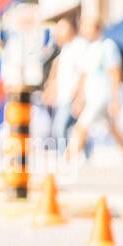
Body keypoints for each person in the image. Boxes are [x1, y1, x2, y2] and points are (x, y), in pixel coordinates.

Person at [68, 15, 123, 163]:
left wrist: (115, 99)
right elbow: (84, 76)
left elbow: (115, 73)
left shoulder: (107, 46)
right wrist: (79, 96)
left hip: (102, 97)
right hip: (92, 96)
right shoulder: (89, 49)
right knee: (112, 128)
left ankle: (69, 157)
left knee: (81, 126)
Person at [45, 15, 85, 152]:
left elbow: (83, 73)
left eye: (62, 27)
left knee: (60, 128)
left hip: (71, 97)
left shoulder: (78, 46)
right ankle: (77, 159)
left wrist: (78, 96)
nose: (58, 31)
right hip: (64, 98)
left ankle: (66, 161)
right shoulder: (65, 49)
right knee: (74, 130)